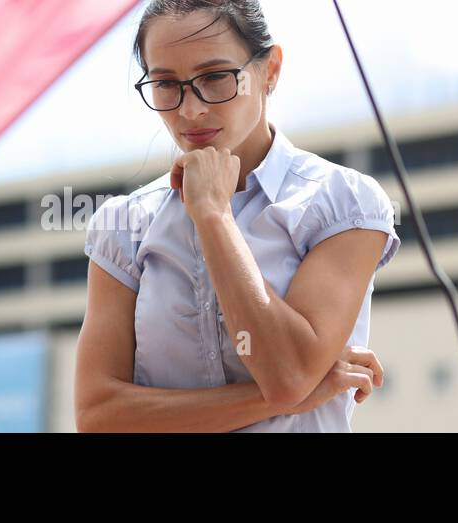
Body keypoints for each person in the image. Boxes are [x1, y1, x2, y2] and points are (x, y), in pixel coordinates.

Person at [74, 0, 401, 432]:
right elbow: (99, 416)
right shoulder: (124, 226)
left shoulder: (342, 202)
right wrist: (299, 391)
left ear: (270, 71)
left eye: (214, 77)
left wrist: (213, 215)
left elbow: (286, 375)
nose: (190, 109)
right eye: (166, 83)